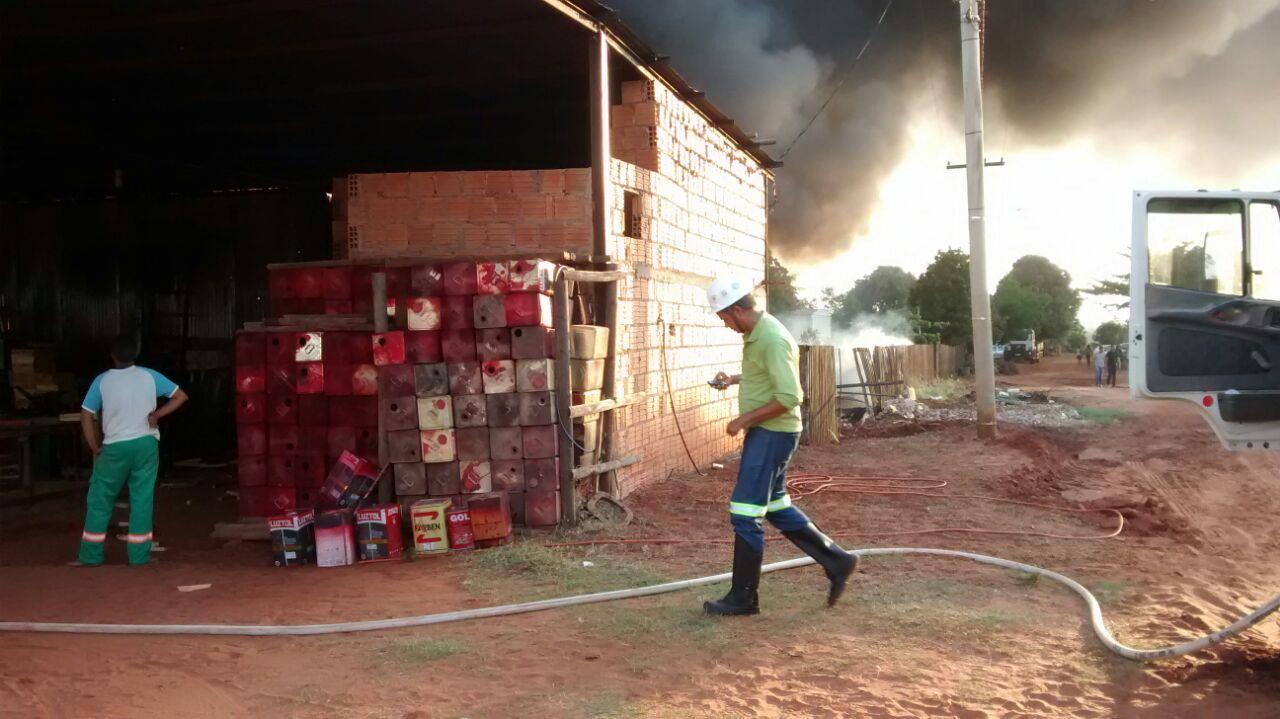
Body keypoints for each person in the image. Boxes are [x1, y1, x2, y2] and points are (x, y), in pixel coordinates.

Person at [703, 277, 857, 616]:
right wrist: (734, 379)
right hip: (770, 433)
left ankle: (743, 598)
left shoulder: (770, 338)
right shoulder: (758, 334)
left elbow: (789, 396)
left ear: (737, 310)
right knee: (774, 506)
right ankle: (837, 561)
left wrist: (742, 421)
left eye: (724, 318)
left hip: (772, 433)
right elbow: (767, 375)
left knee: (745, 512)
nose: (725, 325)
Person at [72, 336, 188, 567]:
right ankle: (139, 556)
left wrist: (94, 446)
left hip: (115, 446)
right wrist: (157, 415)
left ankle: (91, 556)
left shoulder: (102, 381)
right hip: (145, 443)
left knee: (100, 498)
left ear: (112, 356)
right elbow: (181, 396)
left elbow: (86, 414)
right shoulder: (150, 376)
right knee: (142, 498)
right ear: (136, 354)